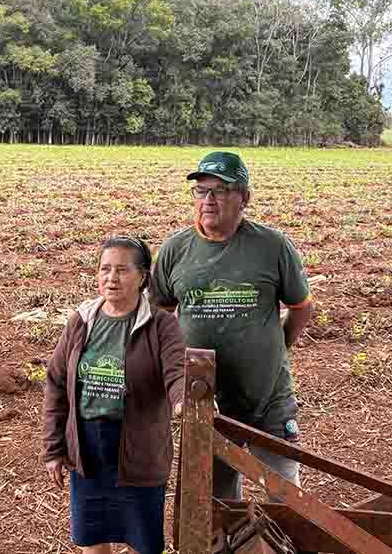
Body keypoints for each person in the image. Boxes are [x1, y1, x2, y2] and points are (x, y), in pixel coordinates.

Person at [151, 152, 314, 544]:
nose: (208, 199)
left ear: (244, 197)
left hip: (268, 397)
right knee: (216, 501)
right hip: (207, 402)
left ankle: (285, 547)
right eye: (201, 190)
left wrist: (278, 350)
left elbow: (301, 307)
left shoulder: (273, 246)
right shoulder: (175, 250)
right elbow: (160, 313)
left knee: (284, 492)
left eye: (220, 190)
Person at [43, 236, 186, 554]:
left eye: (122, 270)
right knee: (92, 539)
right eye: (105, 269)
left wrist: (183, 400)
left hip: (138, 451)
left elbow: (177, 371)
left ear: (143, 277)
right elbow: (56, 383)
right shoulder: (82, 321)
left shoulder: (160, 325)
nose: (111, 278)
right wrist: (54, 449)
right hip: (89, 451)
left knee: (143, 542)